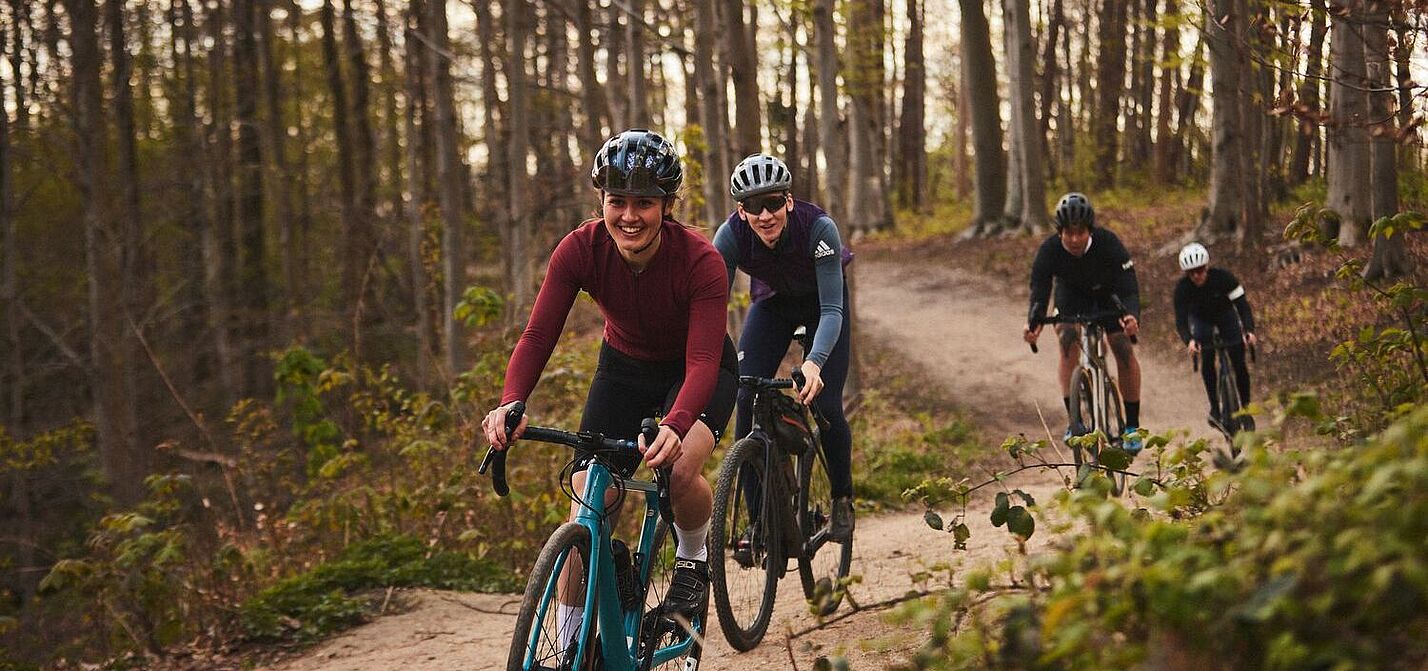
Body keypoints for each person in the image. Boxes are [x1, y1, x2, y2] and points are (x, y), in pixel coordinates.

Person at [481, 129, 737, 627]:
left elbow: (704, 361)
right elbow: (537, 337)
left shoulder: (700, 261)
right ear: (601, 200)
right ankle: (570, 643)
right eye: (616, 201)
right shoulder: (579, 249)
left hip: (698, 368)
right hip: (622, 367)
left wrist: (676, 424)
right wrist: (511, 401)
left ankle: (692, 560)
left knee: (679, 469)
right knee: (591, 498)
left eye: (644, 203)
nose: (629, 216)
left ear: (667, 205)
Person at [712, 153, 856, 542]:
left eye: (774, 202)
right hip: (772, 305)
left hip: (823, 306)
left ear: (789, 202)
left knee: (825, 404)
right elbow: (711, 309)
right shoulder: (729, 237)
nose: (765, 215)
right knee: (745, 394)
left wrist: (813, 363)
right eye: (754, 207)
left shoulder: (819, 229)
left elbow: (830, 309)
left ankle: (842, 499)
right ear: (741, 211)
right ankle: (759, 521)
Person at [1022, 192, 1145, 453]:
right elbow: (1040, 290)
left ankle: (1132, 426)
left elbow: (1128, 285)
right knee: (1067, 340)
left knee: (1122, 346)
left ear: (1090, 230)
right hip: (1071, 296)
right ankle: (1075, 421)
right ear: (1060, 232)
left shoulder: (1109, 243)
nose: (1075, 239)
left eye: (1081, 233)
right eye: (1069, 233)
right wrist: (1034, 322)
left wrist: (1131, 314)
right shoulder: (1049, 250)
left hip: (1107, 296)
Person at [1173, 242, 1258, 431]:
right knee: (1207, 357)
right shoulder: (1182, 289)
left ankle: (1245, 408)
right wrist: (1190, 340)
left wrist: (1249, 331)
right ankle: (1215, 408)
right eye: (1192, 272)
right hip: (1202, 321)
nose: (1197, 276)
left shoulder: (1224, 278)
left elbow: (1243, 306)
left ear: (1207, 267)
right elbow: (1181, 321)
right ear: (1187, 274)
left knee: (1238, 360)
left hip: (1226, 316)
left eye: (1200, 270)